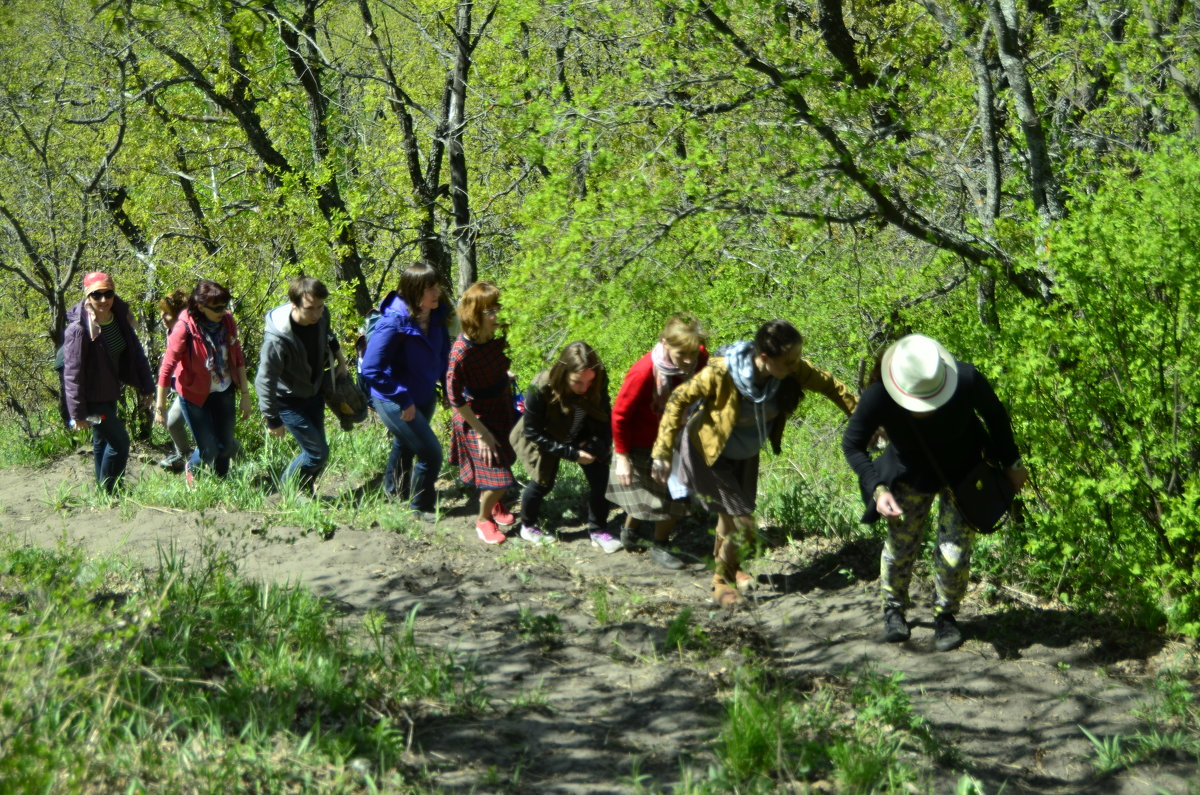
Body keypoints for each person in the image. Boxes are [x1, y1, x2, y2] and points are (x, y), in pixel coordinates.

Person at [842, 333, 1027, 651]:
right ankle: (894, 609)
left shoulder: (967, 378)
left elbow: (996, 418)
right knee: (901, 548)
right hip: (908, 478)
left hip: (965, 477)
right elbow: (852, 444)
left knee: (954, 555)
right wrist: (877, 489)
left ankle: (946, 617)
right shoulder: (880, 395)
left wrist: (1012, 461)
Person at [652, 319, 857, 606]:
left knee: (730, 519)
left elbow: (831, 386)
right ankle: (719, 582)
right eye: (788, 361)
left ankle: (732, 568)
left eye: (796, 358)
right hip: (710, 453)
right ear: (764, 358)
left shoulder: (789, 369)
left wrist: (861, 418)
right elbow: (677, 400)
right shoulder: (722, 372)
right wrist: (662, 454)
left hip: (746, 453)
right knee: (743, 521)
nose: (794, 365)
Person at [608, 315, 708, 568]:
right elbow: (620, 415)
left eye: (692, 353)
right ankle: (635, 532)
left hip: (680, 435)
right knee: (652, 496)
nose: (687, 361)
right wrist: (622, 457)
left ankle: (657, 543)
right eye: (680, 353)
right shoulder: (643, 372)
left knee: (677, 495)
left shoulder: (701, 358)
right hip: (642, 440)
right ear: (664, 342)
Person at [359, 263, 450, 521]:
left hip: (424, 394)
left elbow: (442, 353)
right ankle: (419, 507)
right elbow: (371, 369)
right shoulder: (393, 322)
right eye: (431, 288)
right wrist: (402, 398)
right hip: (392, 398)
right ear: (415, 291)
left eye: (437, 286)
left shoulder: (437, 316)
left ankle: (394, 494)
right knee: (431, 453)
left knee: (406, 445)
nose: (437, 293)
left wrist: (446, 386)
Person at [511, 341, 613, 548]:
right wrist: (573, 454)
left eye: (589, 382)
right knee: (542, 482)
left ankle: (598, 530)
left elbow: (605, 413)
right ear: (563, 373)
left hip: (582, 428)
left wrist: (604, 444)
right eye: (577, 382)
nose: (584, 388)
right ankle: (528, 526)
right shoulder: (540, 387)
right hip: (544, 432)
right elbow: (532, 432)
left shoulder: (598, 378)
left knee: (601, 479)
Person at [60, 272, 155, 493]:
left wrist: (147, 387)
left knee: (102, 441)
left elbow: (136, 353)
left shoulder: (119, 318)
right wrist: (77, 413)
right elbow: (72, 374)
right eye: (97, 295)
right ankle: (110, 491)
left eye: (108, 293)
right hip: (92, 400)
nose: (103, 300)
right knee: (120, 443)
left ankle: (103, 491)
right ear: (87, 296)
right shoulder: (79, 329)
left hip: (110, 393)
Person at [255, 276, 348, 492]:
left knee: (318, 453)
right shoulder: (277, 340)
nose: (317, 313)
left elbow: (329, 334)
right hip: (287, 401)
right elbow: (264, 380)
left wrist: (340, 358)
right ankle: (287, 491)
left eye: (320, 306)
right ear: (294, 304)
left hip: (313, 393)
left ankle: (304, 492)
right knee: (317, 452)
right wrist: (272, 419)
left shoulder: (322, 315)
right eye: (310, 308)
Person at [154, 280, 251, 479]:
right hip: (194, 395)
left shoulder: (227, 322)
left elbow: (238, 357)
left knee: (225, 446)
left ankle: (221, 481)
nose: (222, 311)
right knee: (208, 449)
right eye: (217, 308)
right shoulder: (184, 328)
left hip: (224, 390)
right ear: (200, 306)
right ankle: (193, 471)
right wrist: (160, 406)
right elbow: (166, 369)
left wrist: (245, 395)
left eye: (225, 306)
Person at [446, 282, 519, 544]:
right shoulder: (461, 353)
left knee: (504, 462)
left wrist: (505, 376)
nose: (498, 315)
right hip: (474, 418)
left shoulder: (499, 337)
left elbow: (501, 362)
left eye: (499, 308)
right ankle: (483, 520)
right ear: (475, 314)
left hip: (500, 407)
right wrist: (482, 434)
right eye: (491, 311)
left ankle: (494, 504)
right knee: (499, 478)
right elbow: (455, 400)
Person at [156, 290, 193, 472]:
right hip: (183, 388)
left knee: (215, 435)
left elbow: (166, 370)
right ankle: (185, 456)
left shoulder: (188, 332)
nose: (162, 316)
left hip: (197, 389)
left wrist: (160, 405)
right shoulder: (171, 330)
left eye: (167, 313)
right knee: (173, 422)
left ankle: (243, 463)